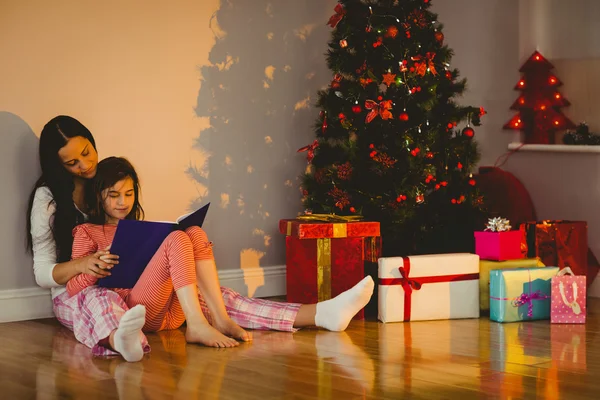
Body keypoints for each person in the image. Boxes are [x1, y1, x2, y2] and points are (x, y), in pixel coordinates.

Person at [27, 115, 374, 363]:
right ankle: (122, 340)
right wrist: (85, 265)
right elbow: (44, 274)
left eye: (87, 153)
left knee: (205, 285)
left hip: (143, 293)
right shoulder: (53, 203)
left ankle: (319, 314)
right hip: (85, 289)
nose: (85, 165)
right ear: (58, 166)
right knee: (100, 299)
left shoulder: (108, 181)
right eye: (72, 162)